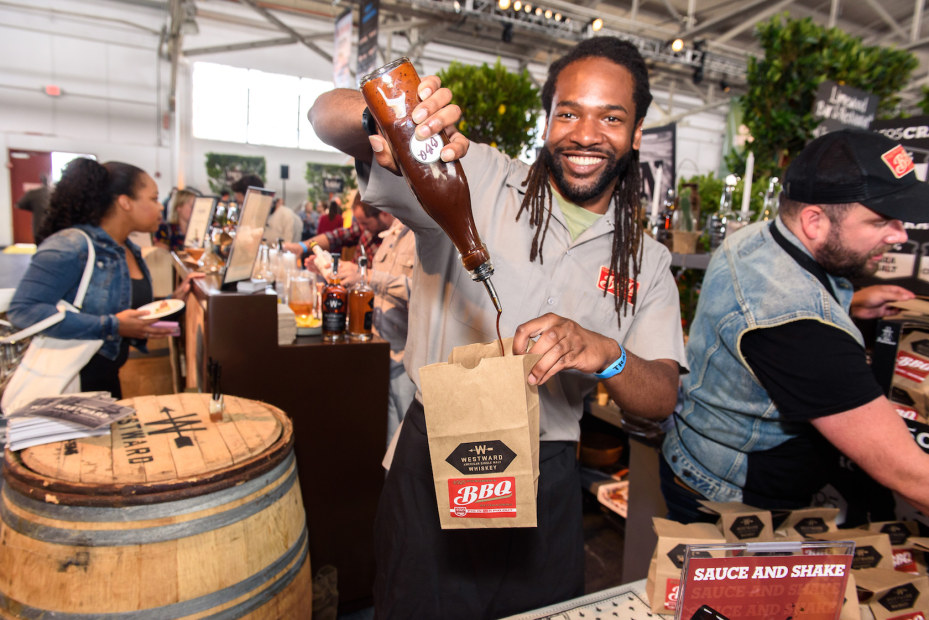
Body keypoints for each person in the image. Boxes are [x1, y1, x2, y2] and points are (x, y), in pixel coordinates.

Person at [310, 37, 685, 618]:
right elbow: (323, 117)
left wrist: (607, 352)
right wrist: (386, 119)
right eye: (569, 112)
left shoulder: (648, 261)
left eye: (610, 117)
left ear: (636, 133)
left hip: (549, 475)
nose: (586, 134)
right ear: (546, 121)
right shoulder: (473, 174)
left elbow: (660, 397)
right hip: (437, 457)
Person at [660, 128, 929, 525]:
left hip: (695, 452)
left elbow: (771, 312)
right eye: (882, 221)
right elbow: (908, 473)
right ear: (814, 221)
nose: (900, 235)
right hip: (730, 498)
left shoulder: (761, 238)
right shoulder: (802, 331)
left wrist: (847, 306)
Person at [8, 158, 202, 398]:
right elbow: (23, 310)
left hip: (106, 381)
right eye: (153, 199)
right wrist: (113, 325)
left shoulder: (126, 248)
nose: (161, 207)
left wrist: (173, 300)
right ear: (125, 202)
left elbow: (121, 307)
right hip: (69, 384)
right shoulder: (70, 245)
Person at [329, 216, 416, 445]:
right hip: (382, 350)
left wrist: (367, 276)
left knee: (406, 436)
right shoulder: (393, 231)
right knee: (387, 432)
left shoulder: (424, 234)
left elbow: (422, 292)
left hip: (406, 357)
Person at [284, 192, 390, 260]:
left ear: (384, 214)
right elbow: (334, 237)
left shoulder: (396, 241)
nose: (361, 227)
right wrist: (303, 246)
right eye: (360, 223)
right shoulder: (364, 229)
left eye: (365, 223)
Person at [17, 174, 51, 244]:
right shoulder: (54, 192)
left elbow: (19, 205)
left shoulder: (33, 193)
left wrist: (33, 208)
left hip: (39, 227)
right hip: (52, 227)